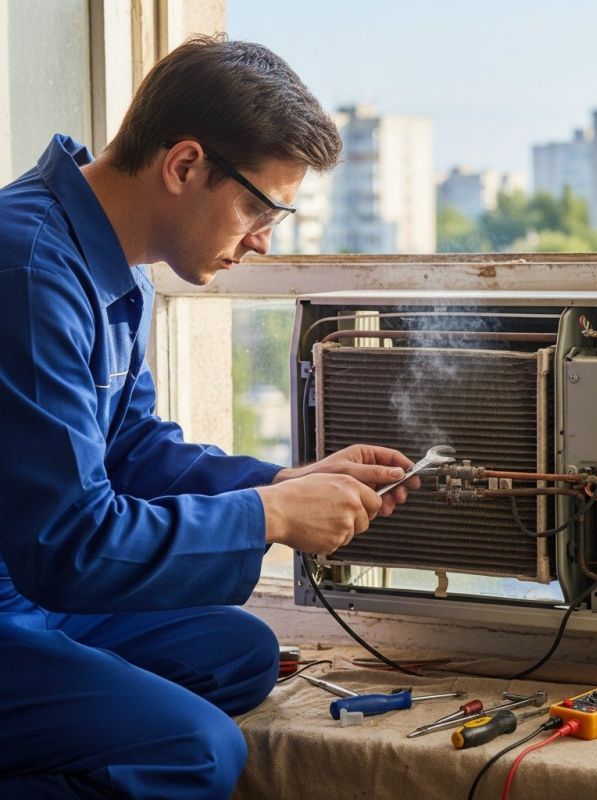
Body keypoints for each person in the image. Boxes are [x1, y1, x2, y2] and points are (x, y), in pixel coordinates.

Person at [0, 35, 417, 799]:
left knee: (239, 653)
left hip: (33, 597)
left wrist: (286, 481)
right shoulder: (26, 268)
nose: (261, 240)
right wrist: (269, 516)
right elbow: (66, 546)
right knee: (197, 754)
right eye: (259, 207)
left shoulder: (114, 266)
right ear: (185, 164)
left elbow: (128, 447)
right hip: (29, 585)